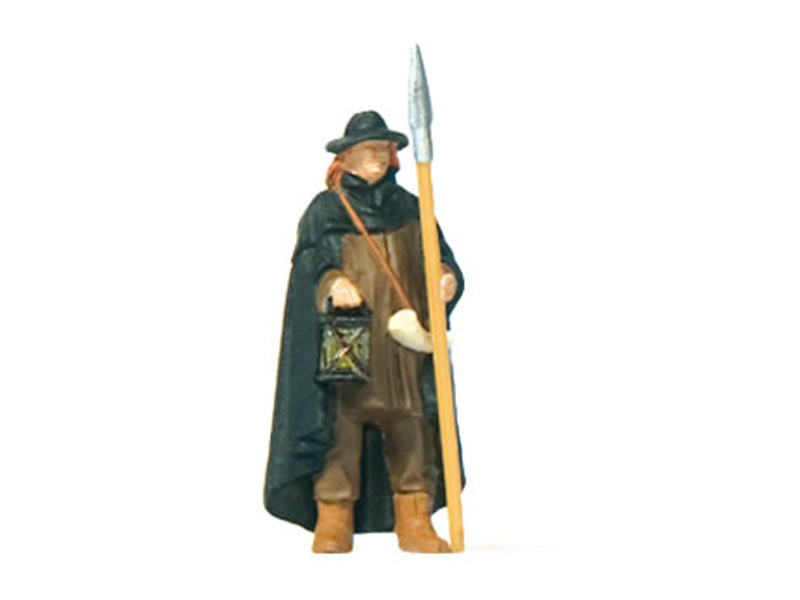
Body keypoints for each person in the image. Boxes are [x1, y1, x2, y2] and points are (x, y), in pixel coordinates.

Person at [263, 110, 464, 553]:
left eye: (383, 149)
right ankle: (334, 517)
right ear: (347, 157)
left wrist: (446, 277)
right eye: (369, 150)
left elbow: (438, 255)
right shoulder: (326, 211)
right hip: (348, 338)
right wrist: (332, 282)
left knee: (411, 427)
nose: (378, 157)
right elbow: (309, 267)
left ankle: (414, 518)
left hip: (403, 344)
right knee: (341, 428)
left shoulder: (411, 207)